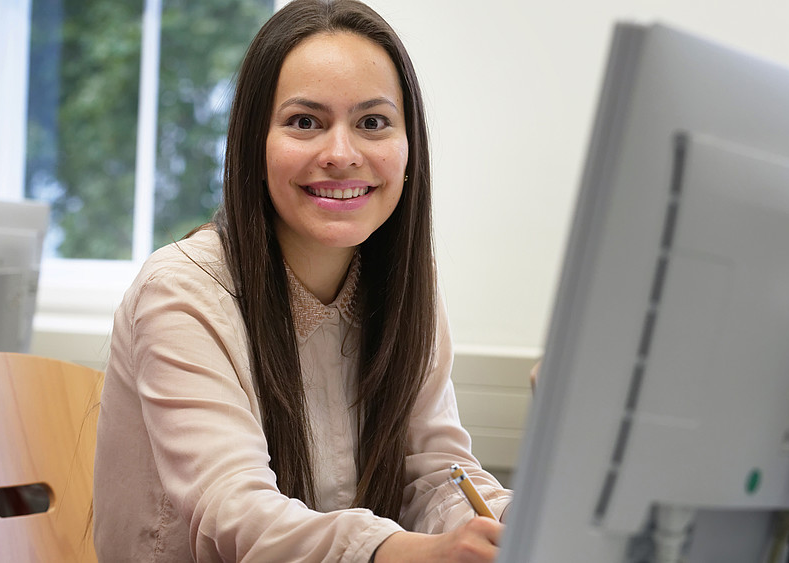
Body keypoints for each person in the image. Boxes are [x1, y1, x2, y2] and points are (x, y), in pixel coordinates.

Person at [92, 0, 513, 561]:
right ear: (253, 144)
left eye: (372, 123)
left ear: (410, 150)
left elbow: (438, 475)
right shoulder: (181, 292)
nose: (341, 154)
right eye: (304, 122)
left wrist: (518, 522)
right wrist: (419, 553)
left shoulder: (406, 286)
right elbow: (237, 516)